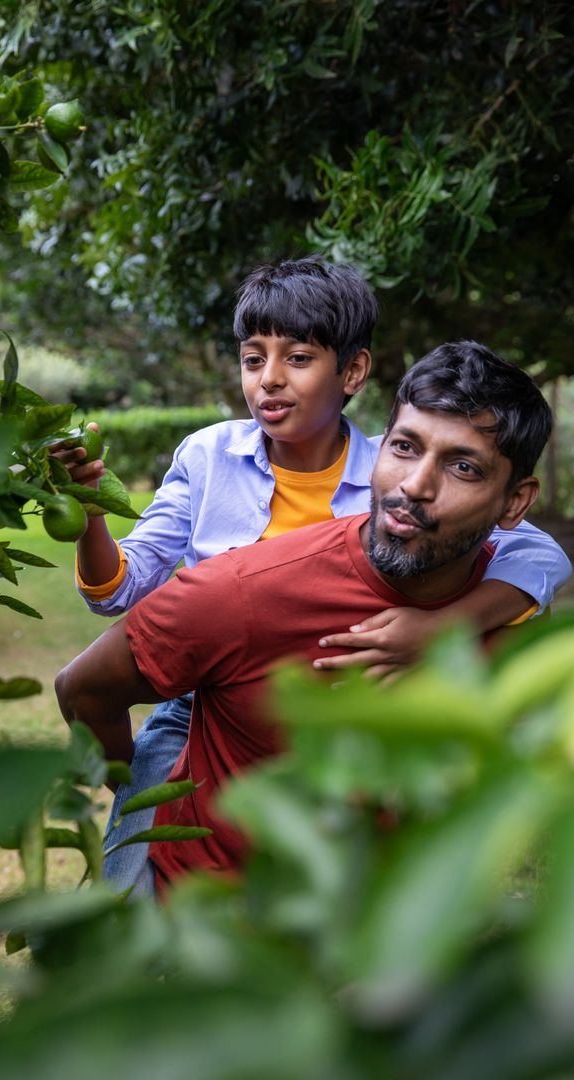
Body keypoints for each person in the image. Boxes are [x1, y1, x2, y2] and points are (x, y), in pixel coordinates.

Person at [52, 260, 570, 890]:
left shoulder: (398, 468)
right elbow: (122, 593)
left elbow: (538, 554)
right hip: (198, 692)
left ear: (352, 371)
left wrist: (442, 625)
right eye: (252, 358)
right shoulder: (210, 456)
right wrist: (89, 521)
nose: (269, 379)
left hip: (331, 689)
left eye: (297, 358)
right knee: (136, 863)